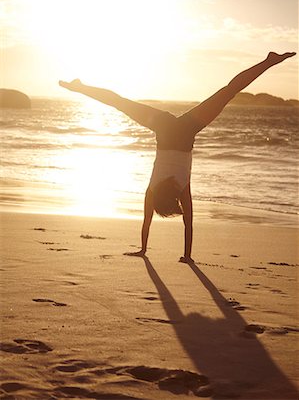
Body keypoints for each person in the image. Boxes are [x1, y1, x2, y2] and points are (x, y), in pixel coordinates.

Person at [59, 51, 295, 263]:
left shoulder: (181, 188)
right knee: (121, 103)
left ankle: (268, 61)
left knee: (227, 93)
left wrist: (186, 255)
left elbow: (188, 223)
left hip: (186, 130)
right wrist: (148, 249)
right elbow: (147, 222)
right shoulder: (153, 188)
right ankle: (79, 87)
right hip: (162, 125)